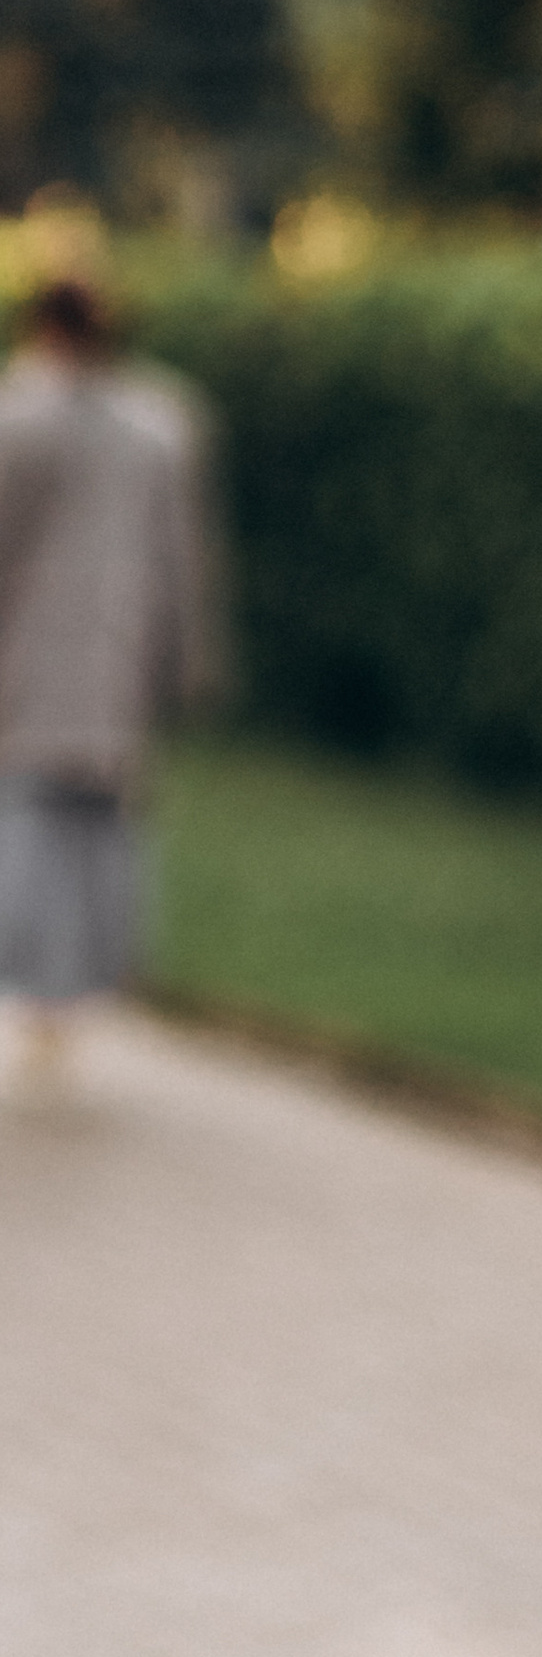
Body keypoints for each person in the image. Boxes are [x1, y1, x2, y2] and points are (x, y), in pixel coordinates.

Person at [0, 275, 218, 1085]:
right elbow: (186, 555)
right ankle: (81, 985)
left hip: (26, 660)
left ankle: (45, 997)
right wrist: (188, 659)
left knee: (31, 826)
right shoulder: (162, 420)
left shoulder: (18, 418)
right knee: (100, 831)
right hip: (116, 660)